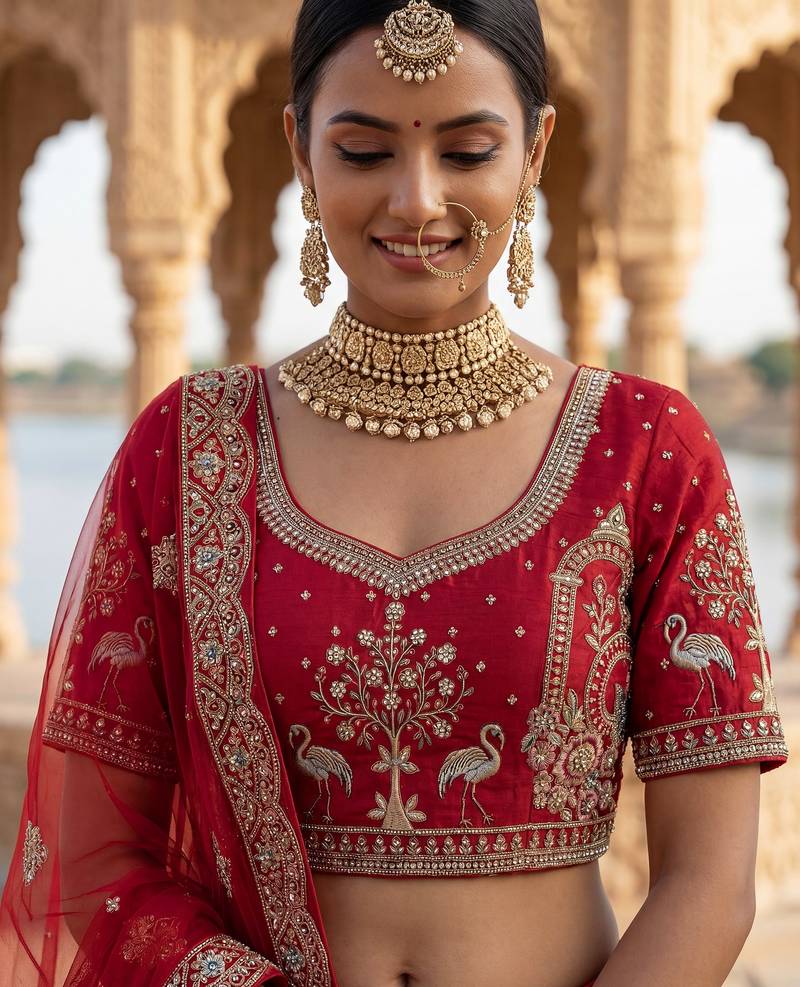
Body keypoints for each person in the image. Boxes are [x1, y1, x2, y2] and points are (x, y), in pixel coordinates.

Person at [0, 1, 790, 985]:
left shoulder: (645, 448)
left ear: (535, 151)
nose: (417, 200)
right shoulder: (189, 449)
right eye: (365, 152)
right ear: (301, 151)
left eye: (467, 152)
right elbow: (92, 864)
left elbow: (708, 881)